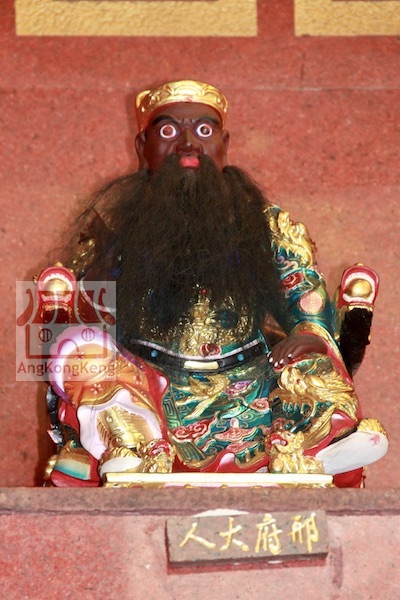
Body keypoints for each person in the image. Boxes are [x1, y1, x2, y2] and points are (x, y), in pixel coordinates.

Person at [40, 80, 387, 488]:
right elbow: (85, 311)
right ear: (142, 146)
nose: (188, 144)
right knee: (79, 350)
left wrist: (307, 332)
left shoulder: (265, 226)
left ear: (225, 145)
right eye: (169, 131)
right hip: (149, 387)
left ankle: (318, 443)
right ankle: (131, 447)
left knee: (313, 359)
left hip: (253, 386)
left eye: (204, 131)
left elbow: (302, 291)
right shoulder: (112, 231)